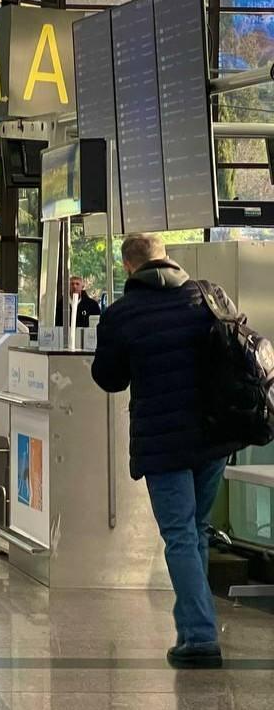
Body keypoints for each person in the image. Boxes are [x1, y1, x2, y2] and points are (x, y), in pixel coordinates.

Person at [91, 234, 245, 669]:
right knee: (194, 530)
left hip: (163, 442)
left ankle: (200, 636)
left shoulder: (123, 314)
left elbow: (109, 379)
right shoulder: (207, 295)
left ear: (128, 267)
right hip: (215, 435)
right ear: (167, 258)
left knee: (179, 534)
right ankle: (190, 628)